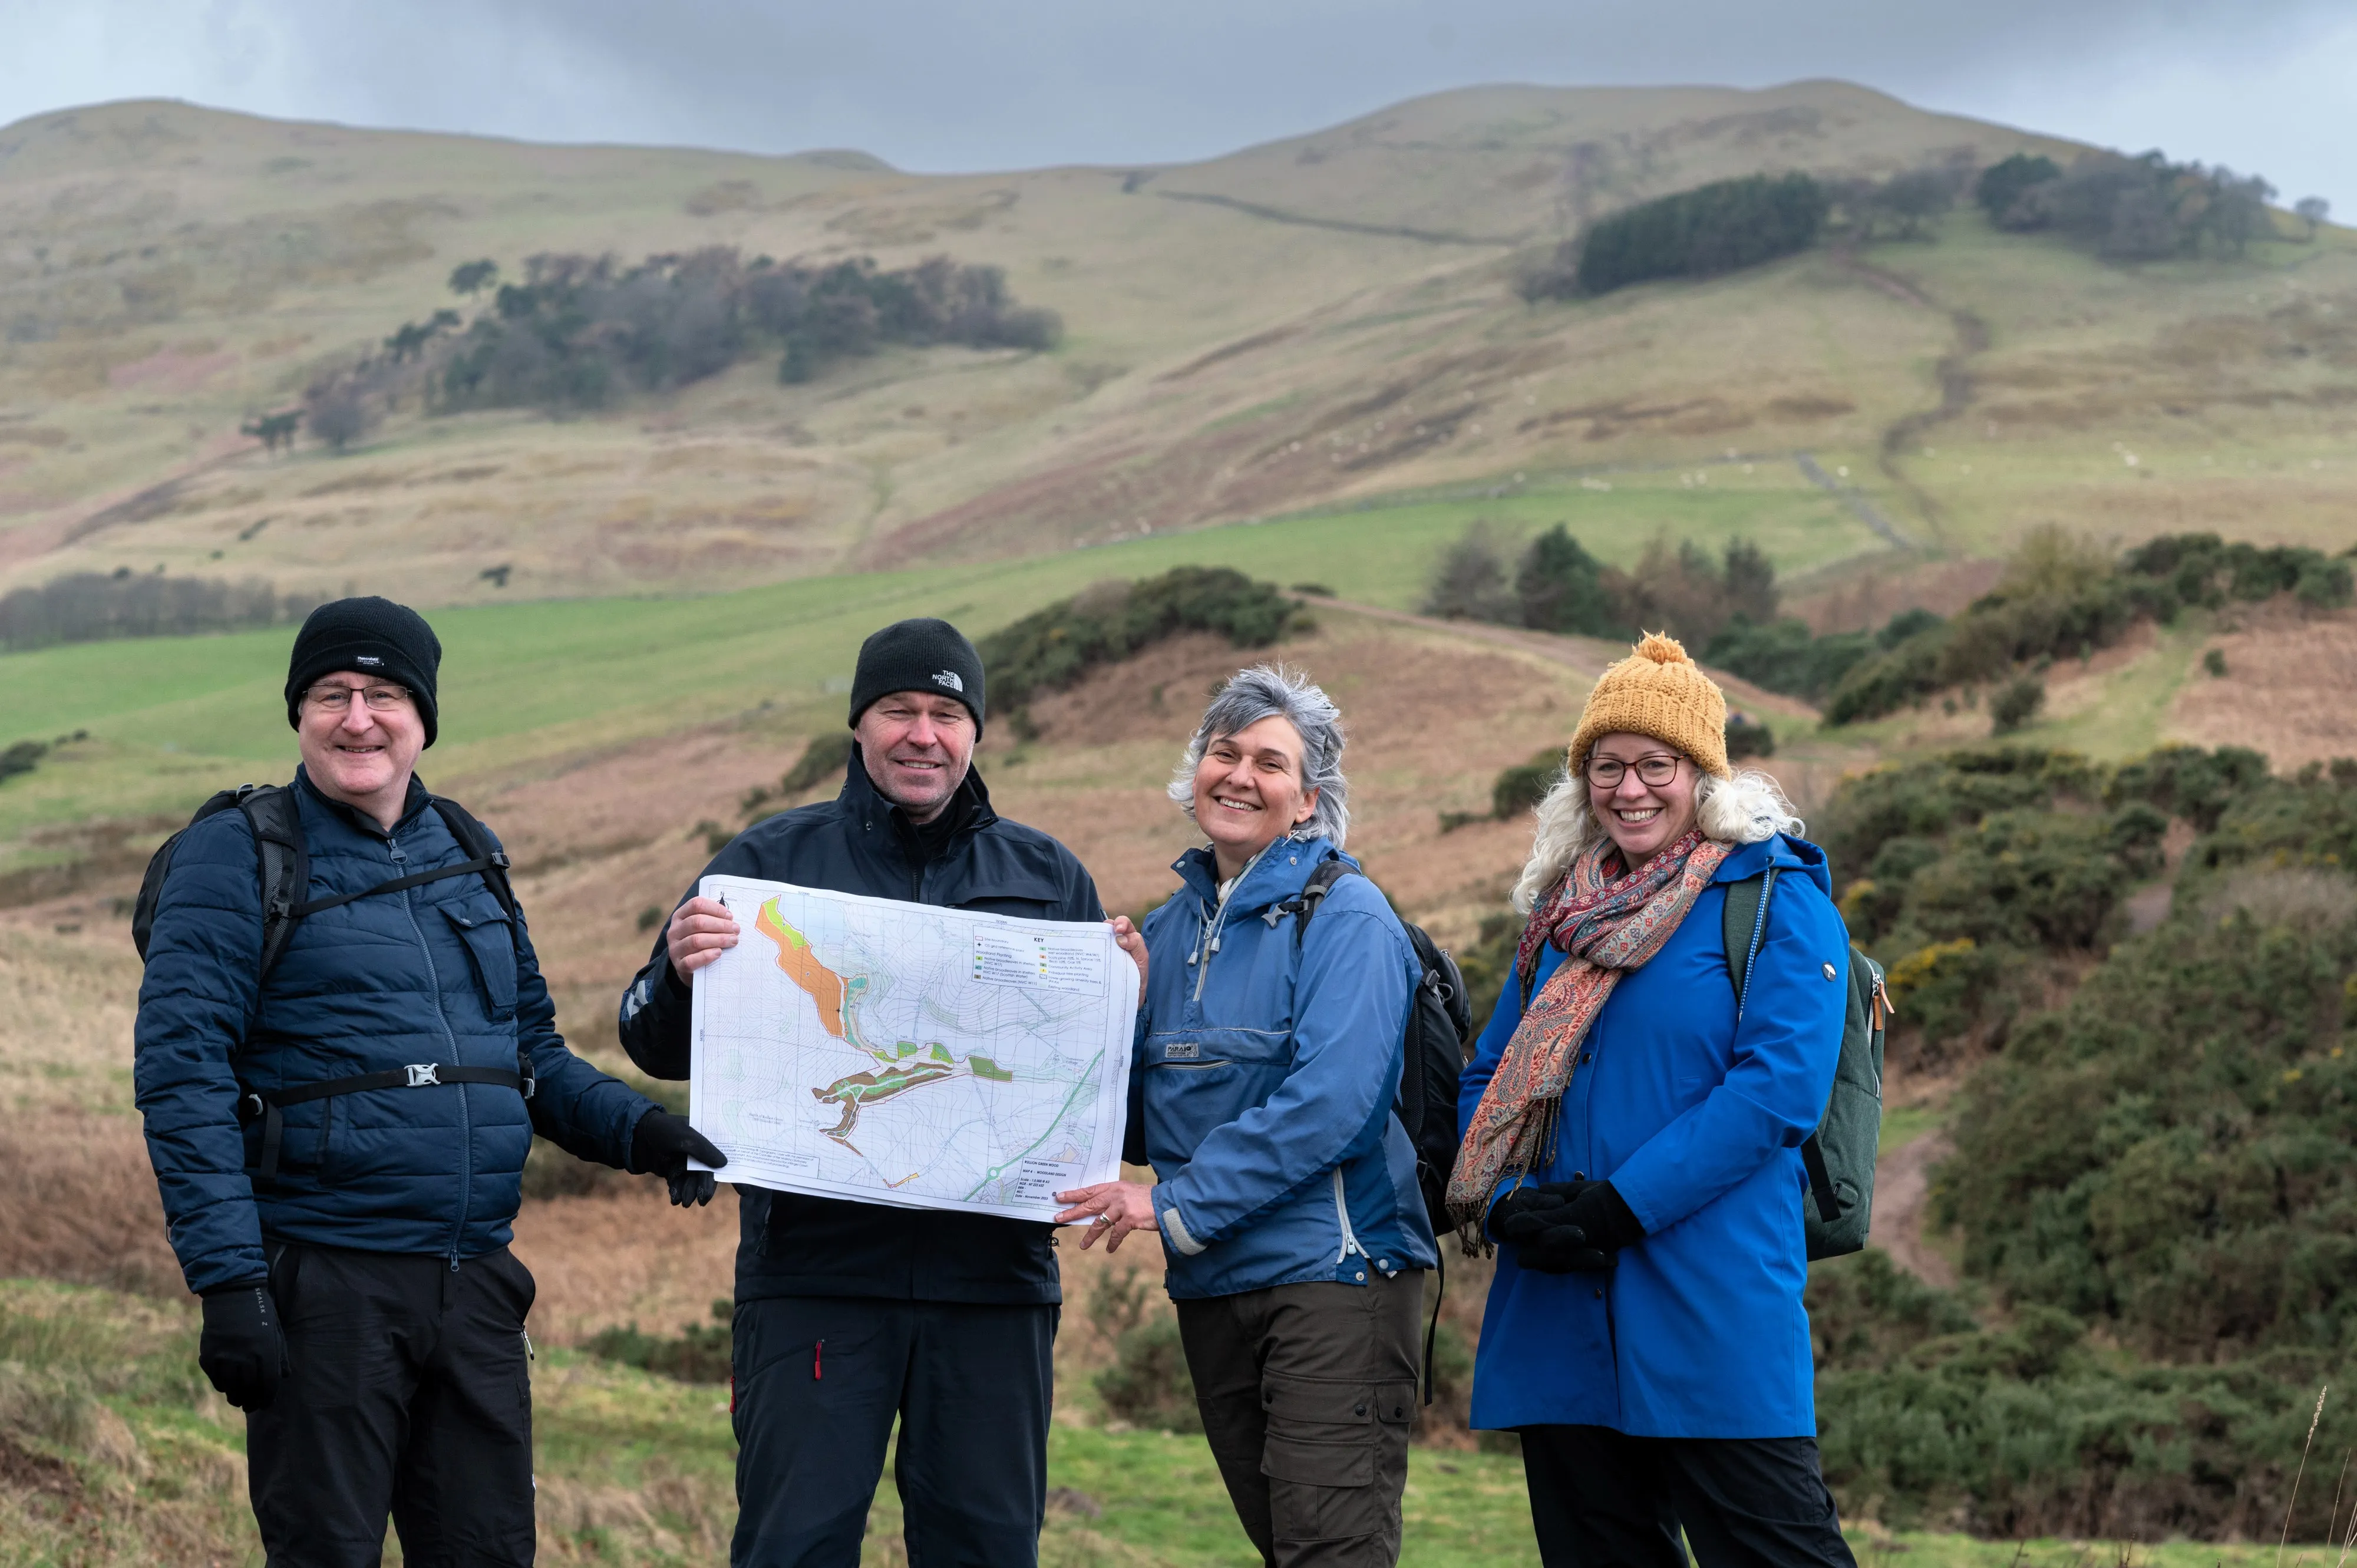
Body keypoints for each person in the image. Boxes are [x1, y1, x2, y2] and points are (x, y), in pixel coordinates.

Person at [134, 595, 724, 1568]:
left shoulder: (466, 848)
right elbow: (182, 1075)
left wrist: (640, 1131)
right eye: (333, 693)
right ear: (298, 713)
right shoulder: (237, 854)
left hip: (475, 1286)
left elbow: (529, 1055)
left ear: (424, 718)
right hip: (326, 1288)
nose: (358, 717)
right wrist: (231, 1285)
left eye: (384, 694)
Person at [618, 616, 1145, 1568]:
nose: (923, 733)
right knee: (794, 1546)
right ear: (859, 727)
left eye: (947, 713)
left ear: (976, 733)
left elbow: (1096, 1087)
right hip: (814, 1283)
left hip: (996, 1291)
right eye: (899, 709)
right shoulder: (767, 865)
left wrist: (1126, 1004)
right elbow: (654, 1044)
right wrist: (678, 971)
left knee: (986, 1550)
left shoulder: (1050, 876)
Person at [1450, 633, 1858, 1568]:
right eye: (1606, 766)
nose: (1629, 790)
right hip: (1558, 1318)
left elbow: (1776, 1091)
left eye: (1655, 765)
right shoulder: (1562, 913)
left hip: (1709, 1311)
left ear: (1702, 774)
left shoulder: (1777, 898)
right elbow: (1490, 1076)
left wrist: (1622, 1206)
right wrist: (1509, 1211)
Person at [1057, 665, 1438, 1568]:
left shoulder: (1349, 917)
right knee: (1287, 1549)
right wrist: (1122, 1013)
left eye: (1270, 762)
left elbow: (1334, 1107)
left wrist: (1170, 1206)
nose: (1238, 775)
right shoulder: (1171, 928)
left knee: (1329, 1555)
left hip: (1335, 1281)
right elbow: (1144, 1126)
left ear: (1309, 800)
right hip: (1215, 1290)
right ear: (1194, 775)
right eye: (1222, 752)